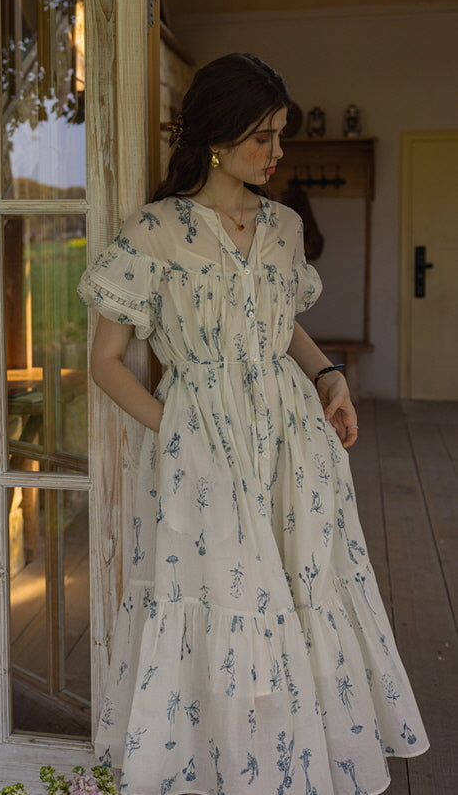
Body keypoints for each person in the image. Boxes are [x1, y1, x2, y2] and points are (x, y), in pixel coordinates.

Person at [78, 53, 428, 795]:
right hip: (201, 450)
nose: (275, 153)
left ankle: (291, 769)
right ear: (215, 136)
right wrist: (178, 433)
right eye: (260, 137)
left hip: (291, 445)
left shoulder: (284, 227)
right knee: (220, 601)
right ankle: (220, 772)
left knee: (299, 596)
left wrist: (327, 375)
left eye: (279, 136)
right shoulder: (156, 231)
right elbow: (106, 361)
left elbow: (280, 324)